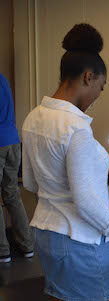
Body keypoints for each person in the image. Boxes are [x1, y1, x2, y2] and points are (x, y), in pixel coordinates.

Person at [22, 24, 109, 301]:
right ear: (89, 77)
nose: (98, 96)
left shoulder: (34, 117)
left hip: (46, 234)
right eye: (100, 87)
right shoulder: (75, 127)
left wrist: (96, 180)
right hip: (80, 240)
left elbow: (30, 181)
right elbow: (87, 205)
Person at [0, 73, 33, 263]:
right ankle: (27, 245)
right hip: (13, 141)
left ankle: (2, 251)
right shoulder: (3, 78)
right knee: (12, 193)